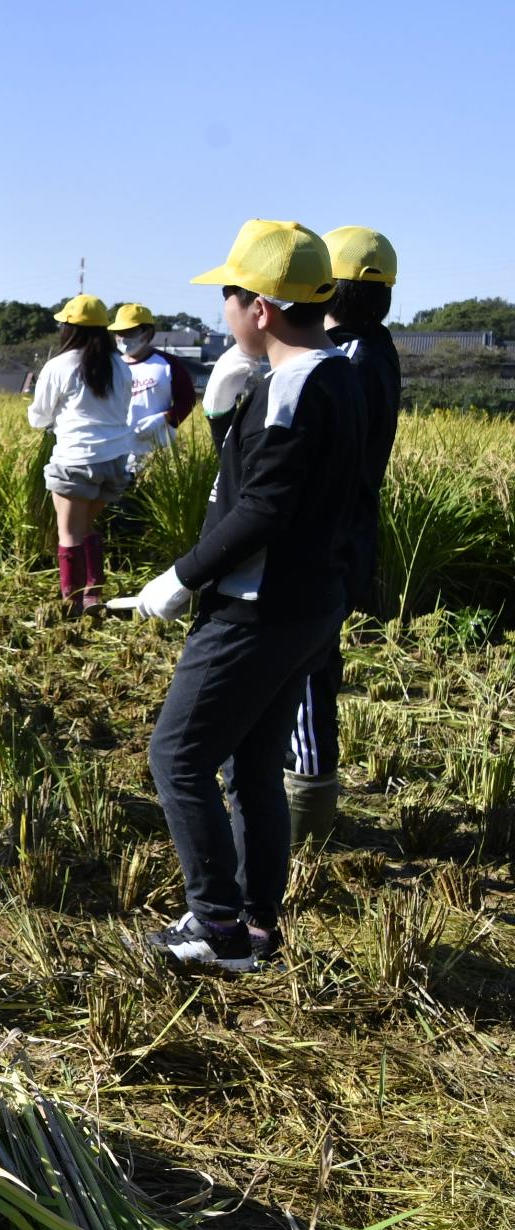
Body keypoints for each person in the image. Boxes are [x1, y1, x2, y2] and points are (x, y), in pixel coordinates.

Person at [134, 220, 367, 971]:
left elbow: (263, 509)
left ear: (260, 307)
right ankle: (255, 922)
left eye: (229, 297)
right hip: (310, 603)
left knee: (178, 754)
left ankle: (217, 925)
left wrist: (181, 576)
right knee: (254, 765)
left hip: (257, 607)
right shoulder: (340, 374)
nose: (223, 312)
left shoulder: (293, 389)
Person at [285, 227, 402, 846]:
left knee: (306, 670)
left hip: (326, 541)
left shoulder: (341, 362)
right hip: (346, 538)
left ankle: (307, 812)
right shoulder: (374, 349)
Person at [27, 295, 136, 612]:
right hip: (115, 463)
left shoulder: (60, 365)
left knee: (69, 533)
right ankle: (93, 593)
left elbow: (39, 416)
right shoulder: (120, 366)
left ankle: (72, 604)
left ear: (69, 329)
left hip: (75, 461)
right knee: (86, 527)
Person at [109, 302, 198, 462]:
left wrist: (164, 419)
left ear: (147, 333)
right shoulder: (113, 367)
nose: (122, 338)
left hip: (158, 452)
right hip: (118, 452)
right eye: (118, 333)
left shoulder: (168, 363)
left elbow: (187, 400)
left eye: (129, 332)